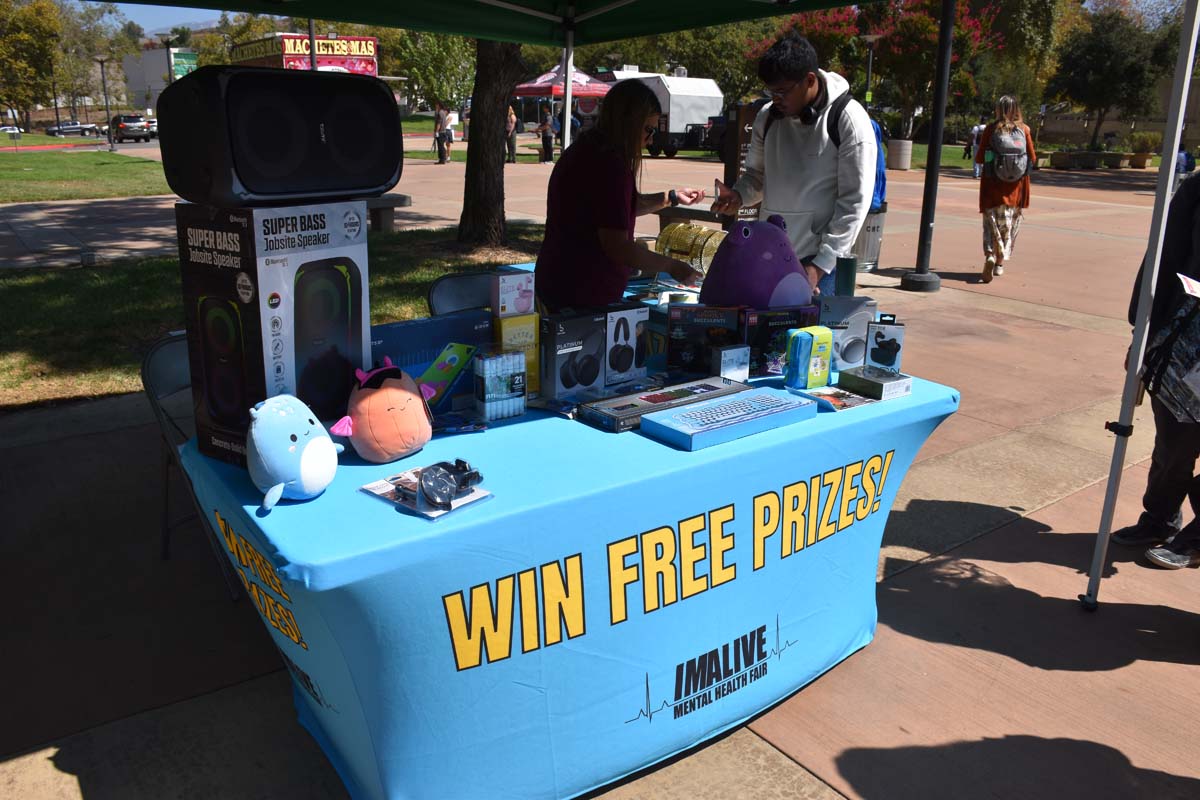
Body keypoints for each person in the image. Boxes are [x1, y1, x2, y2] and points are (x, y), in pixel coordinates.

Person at [710, 34, 876, 297]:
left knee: (812, 337)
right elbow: (756, 176)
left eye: (782, 91)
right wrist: (739, 196)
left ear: (810, 80)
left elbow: (854, 203)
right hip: (771, 254)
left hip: (821, 264)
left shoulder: (848, 120)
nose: (775, 99)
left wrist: (819, 267)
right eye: (770, 91)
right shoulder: (768, 118)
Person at [535, 79, 707, 311]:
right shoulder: (609, 164)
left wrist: (671, 197)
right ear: (629, 121)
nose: (650, 140)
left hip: (562, 284)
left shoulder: (588, 150)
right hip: (580, 296)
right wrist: (672, 266)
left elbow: (616, 211)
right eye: (648, 129)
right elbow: (618, 246)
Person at [1111, 174, 1200, 567]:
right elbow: (1163, 261)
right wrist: (1142, 332)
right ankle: (1160, 519)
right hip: (1189, 340)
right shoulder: (1197, 190)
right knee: (1174, 445)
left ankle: (1195, 538)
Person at [974, 95, 1035, 283]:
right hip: (1016, 189)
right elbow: (1032, 157)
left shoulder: (991, 130)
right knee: (1008, 226)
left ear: (998, 110)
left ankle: (990, 255)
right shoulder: (1024, 130)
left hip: (992, 188)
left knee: (990, 224)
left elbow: (979, 159)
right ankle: (1000, 264)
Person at [971, 114, 988, 179]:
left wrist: (968, 144)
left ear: (980, 120)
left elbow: (972, 136)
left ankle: (975, 174)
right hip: (985, 146)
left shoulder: (976, 128)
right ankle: (982, 173)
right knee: (984, 159)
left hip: (976, 145)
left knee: (976, 159)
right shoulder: (987, 128)